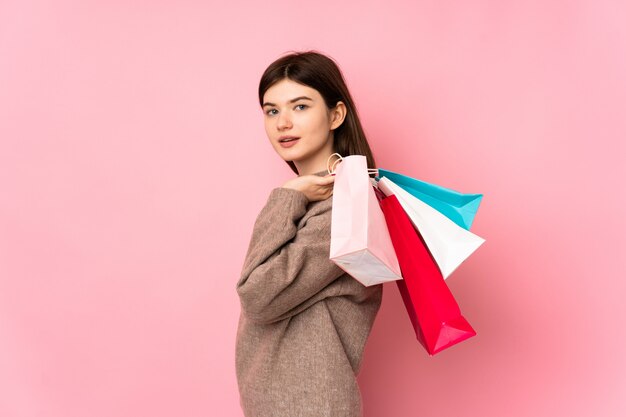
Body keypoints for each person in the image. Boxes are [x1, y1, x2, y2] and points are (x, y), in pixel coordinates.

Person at [235, 50, 383, 417]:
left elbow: (257, 296)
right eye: (272, 111)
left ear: (336, 115)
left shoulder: (346, 205)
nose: (283, 122)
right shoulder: (315, 199)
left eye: (300, 107)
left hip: (312, 405)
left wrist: (286, 195)